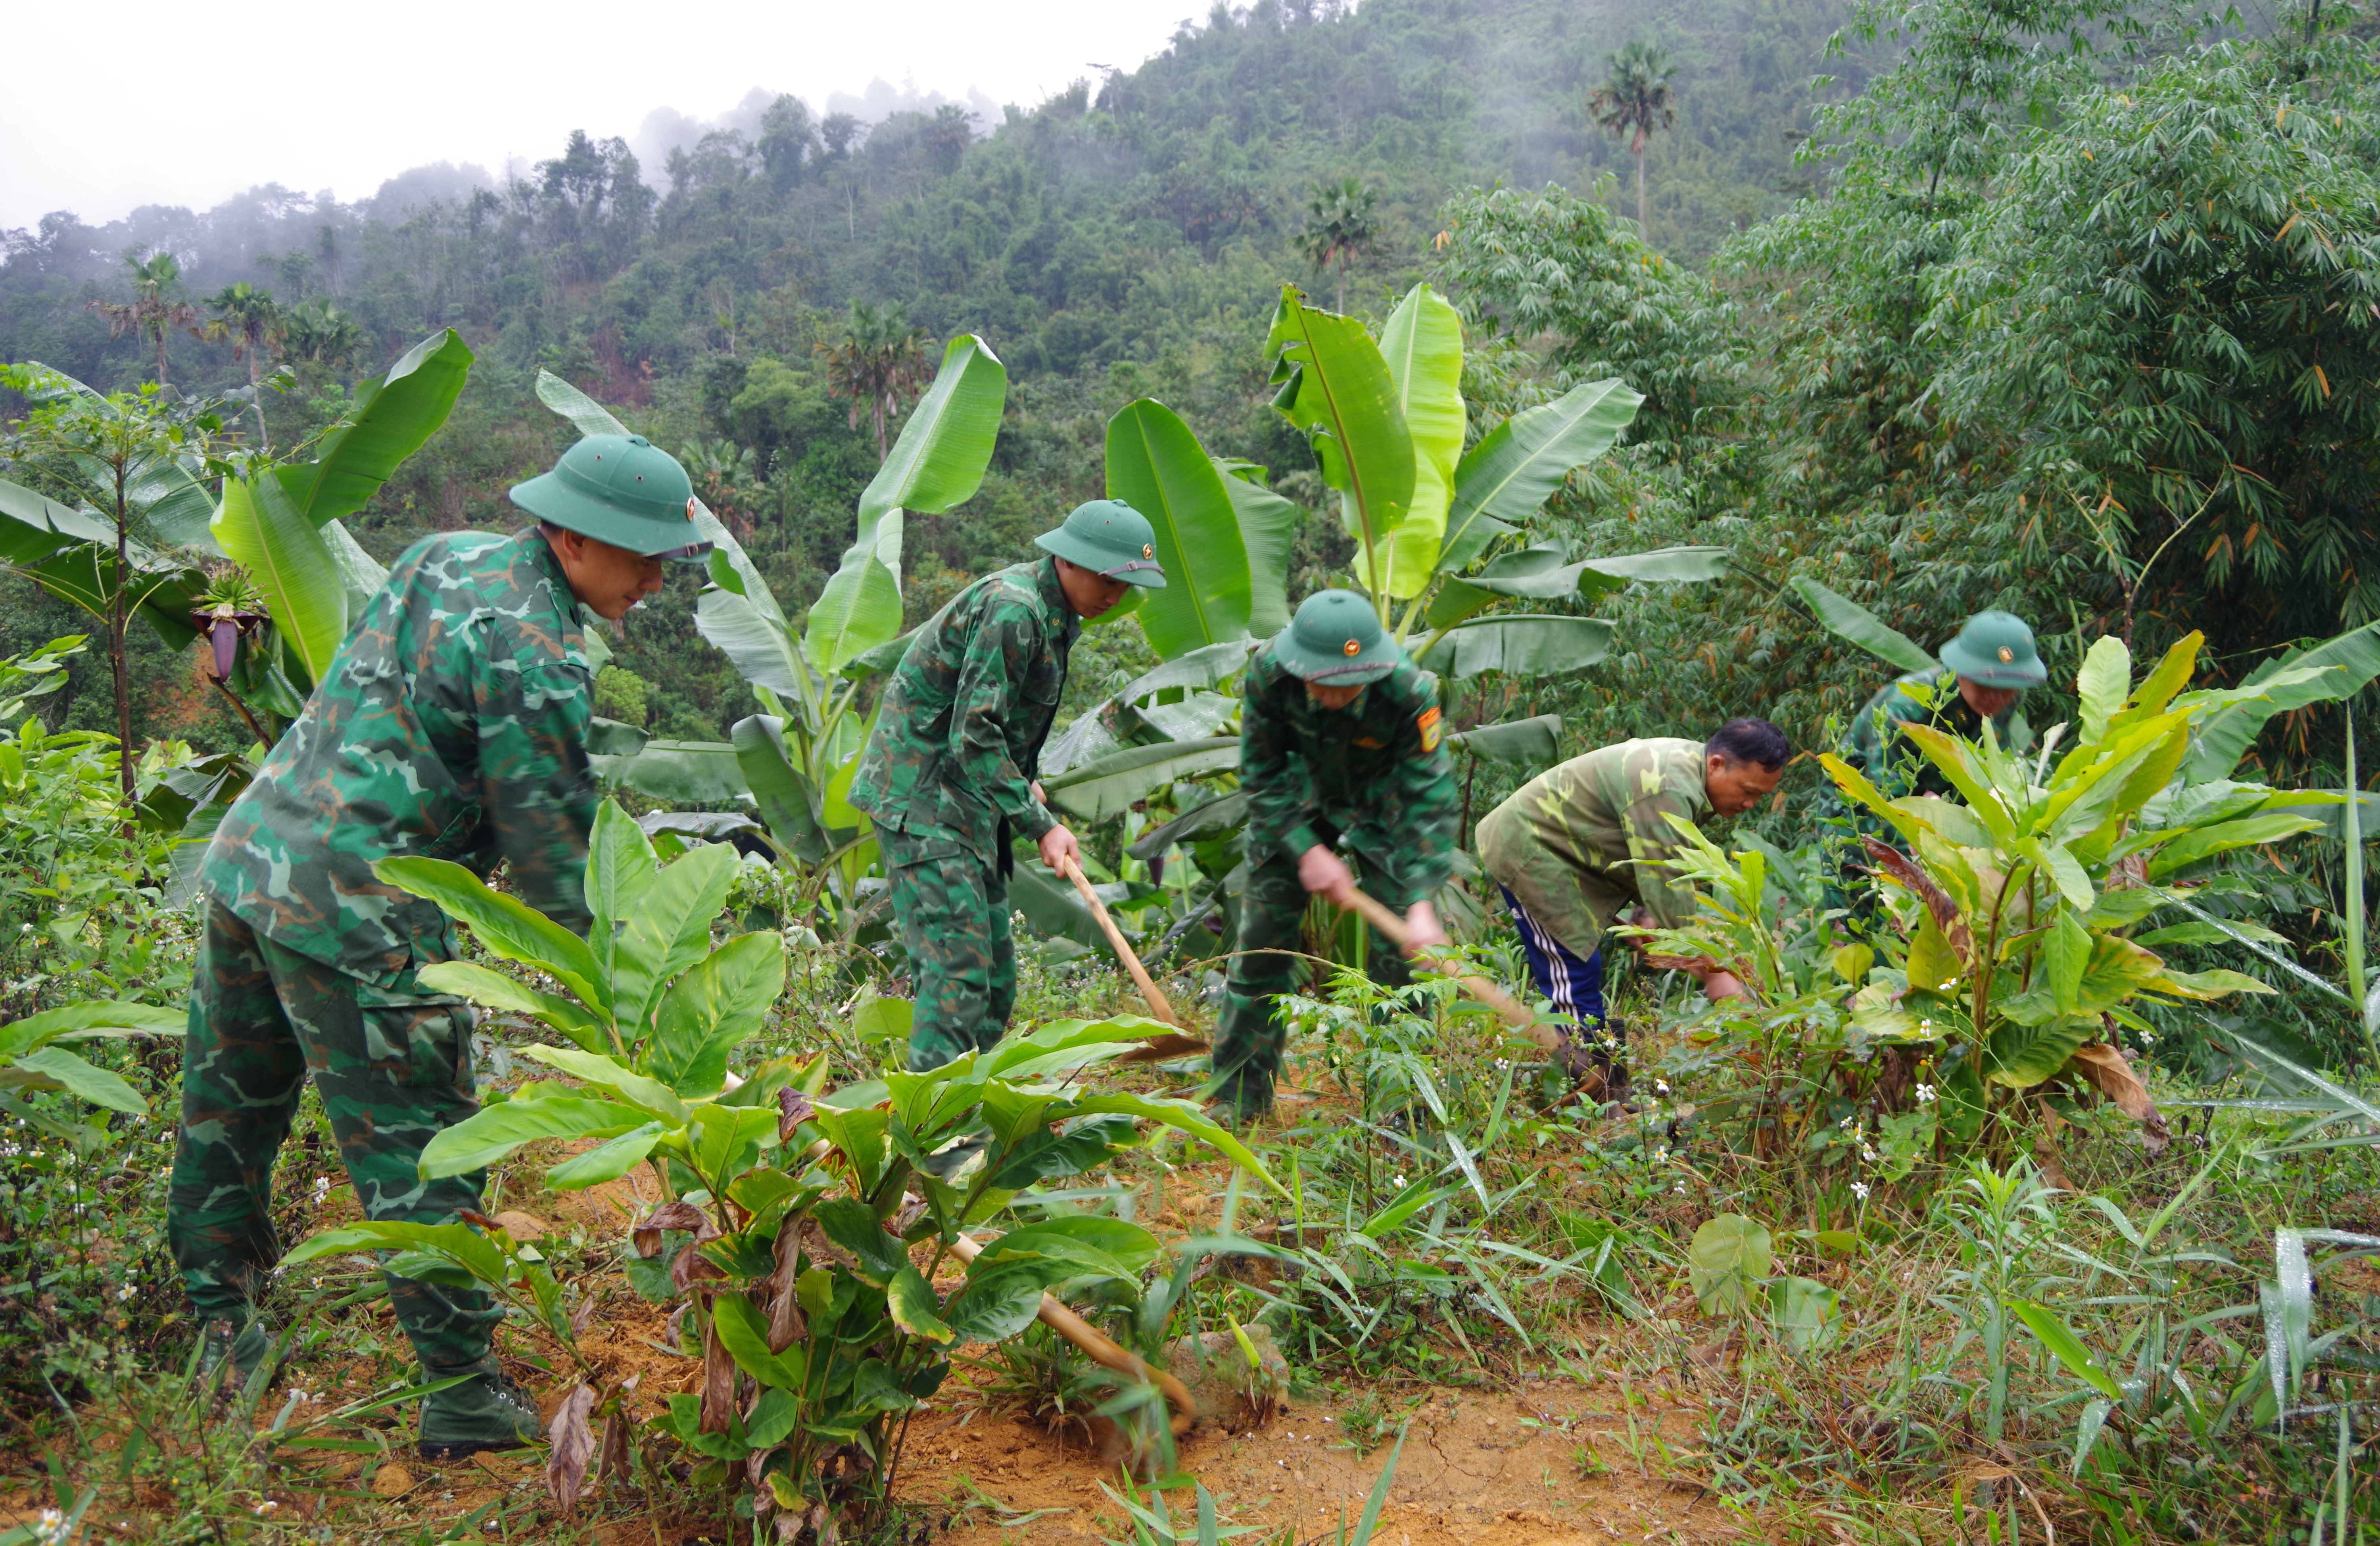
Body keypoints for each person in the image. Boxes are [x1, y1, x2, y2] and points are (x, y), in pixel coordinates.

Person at [171, 433, 713, 1459]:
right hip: (357, 907)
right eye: (636, 553)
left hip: (251, 859)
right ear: (567, 535)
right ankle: (463, 1392)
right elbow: (555, 869)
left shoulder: (440, 554)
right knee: (427, 1146)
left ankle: (219, 1328)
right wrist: (622, 1018)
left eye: (662, 558)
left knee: (226, 1117)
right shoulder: (544, 658)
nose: (651, 578)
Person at [850, 500, 1166, 1070]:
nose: (1116, 595)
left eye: (1127, 584)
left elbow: (998, 721)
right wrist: (1040, 824)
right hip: (923, 801)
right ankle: (936, 1142)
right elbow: (973, 734)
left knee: (994, 981)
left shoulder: (1056, 614)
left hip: (968, 803)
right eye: (1108, 578)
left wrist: (1027, 781)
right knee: (957, 975)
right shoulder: (1013, 611)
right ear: (1068, 560)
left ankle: (967, 1116)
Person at [1211, 590, 1459, 1123]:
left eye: (1346, 685)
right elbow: (1260, 772)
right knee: (1261, 953)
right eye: (1319, 681)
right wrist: (1305, 847)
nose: (1329, 693)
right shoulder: (1269, 675)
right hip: (1295, 802)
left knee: (1406, 968)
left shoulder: (1410, 691)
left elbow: (1429, 800)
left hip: (1385, 807)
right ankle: (1238, 1101)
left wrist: (1419, 902)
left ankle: (1404, 1115)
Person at [1475, 719, 1791, 1093]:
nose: (1751, 804)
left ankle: (1610, 1094)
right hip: (1531, 851)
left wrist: (1649, 919)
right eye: (1748, 791)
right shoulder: (1668, 785)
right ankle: (1598, 1104)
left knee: (1582, 971)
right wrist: (1715, 973)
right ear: (1717, 764)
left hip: (1569, 855)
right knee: (1574, 972)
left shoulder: (1688, 772)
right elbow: (1669, 883)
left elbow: (1653, 857)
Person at [1838, 610, 2047, 801]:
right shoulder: (1905, 708)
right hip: (1859, 813)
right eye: (1986, 686)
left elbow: (1994, 772)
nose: (1996, 697)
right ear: (1961, 671)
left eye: (2007, 688)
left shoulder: (2007, 701)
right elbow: (1885, 801)